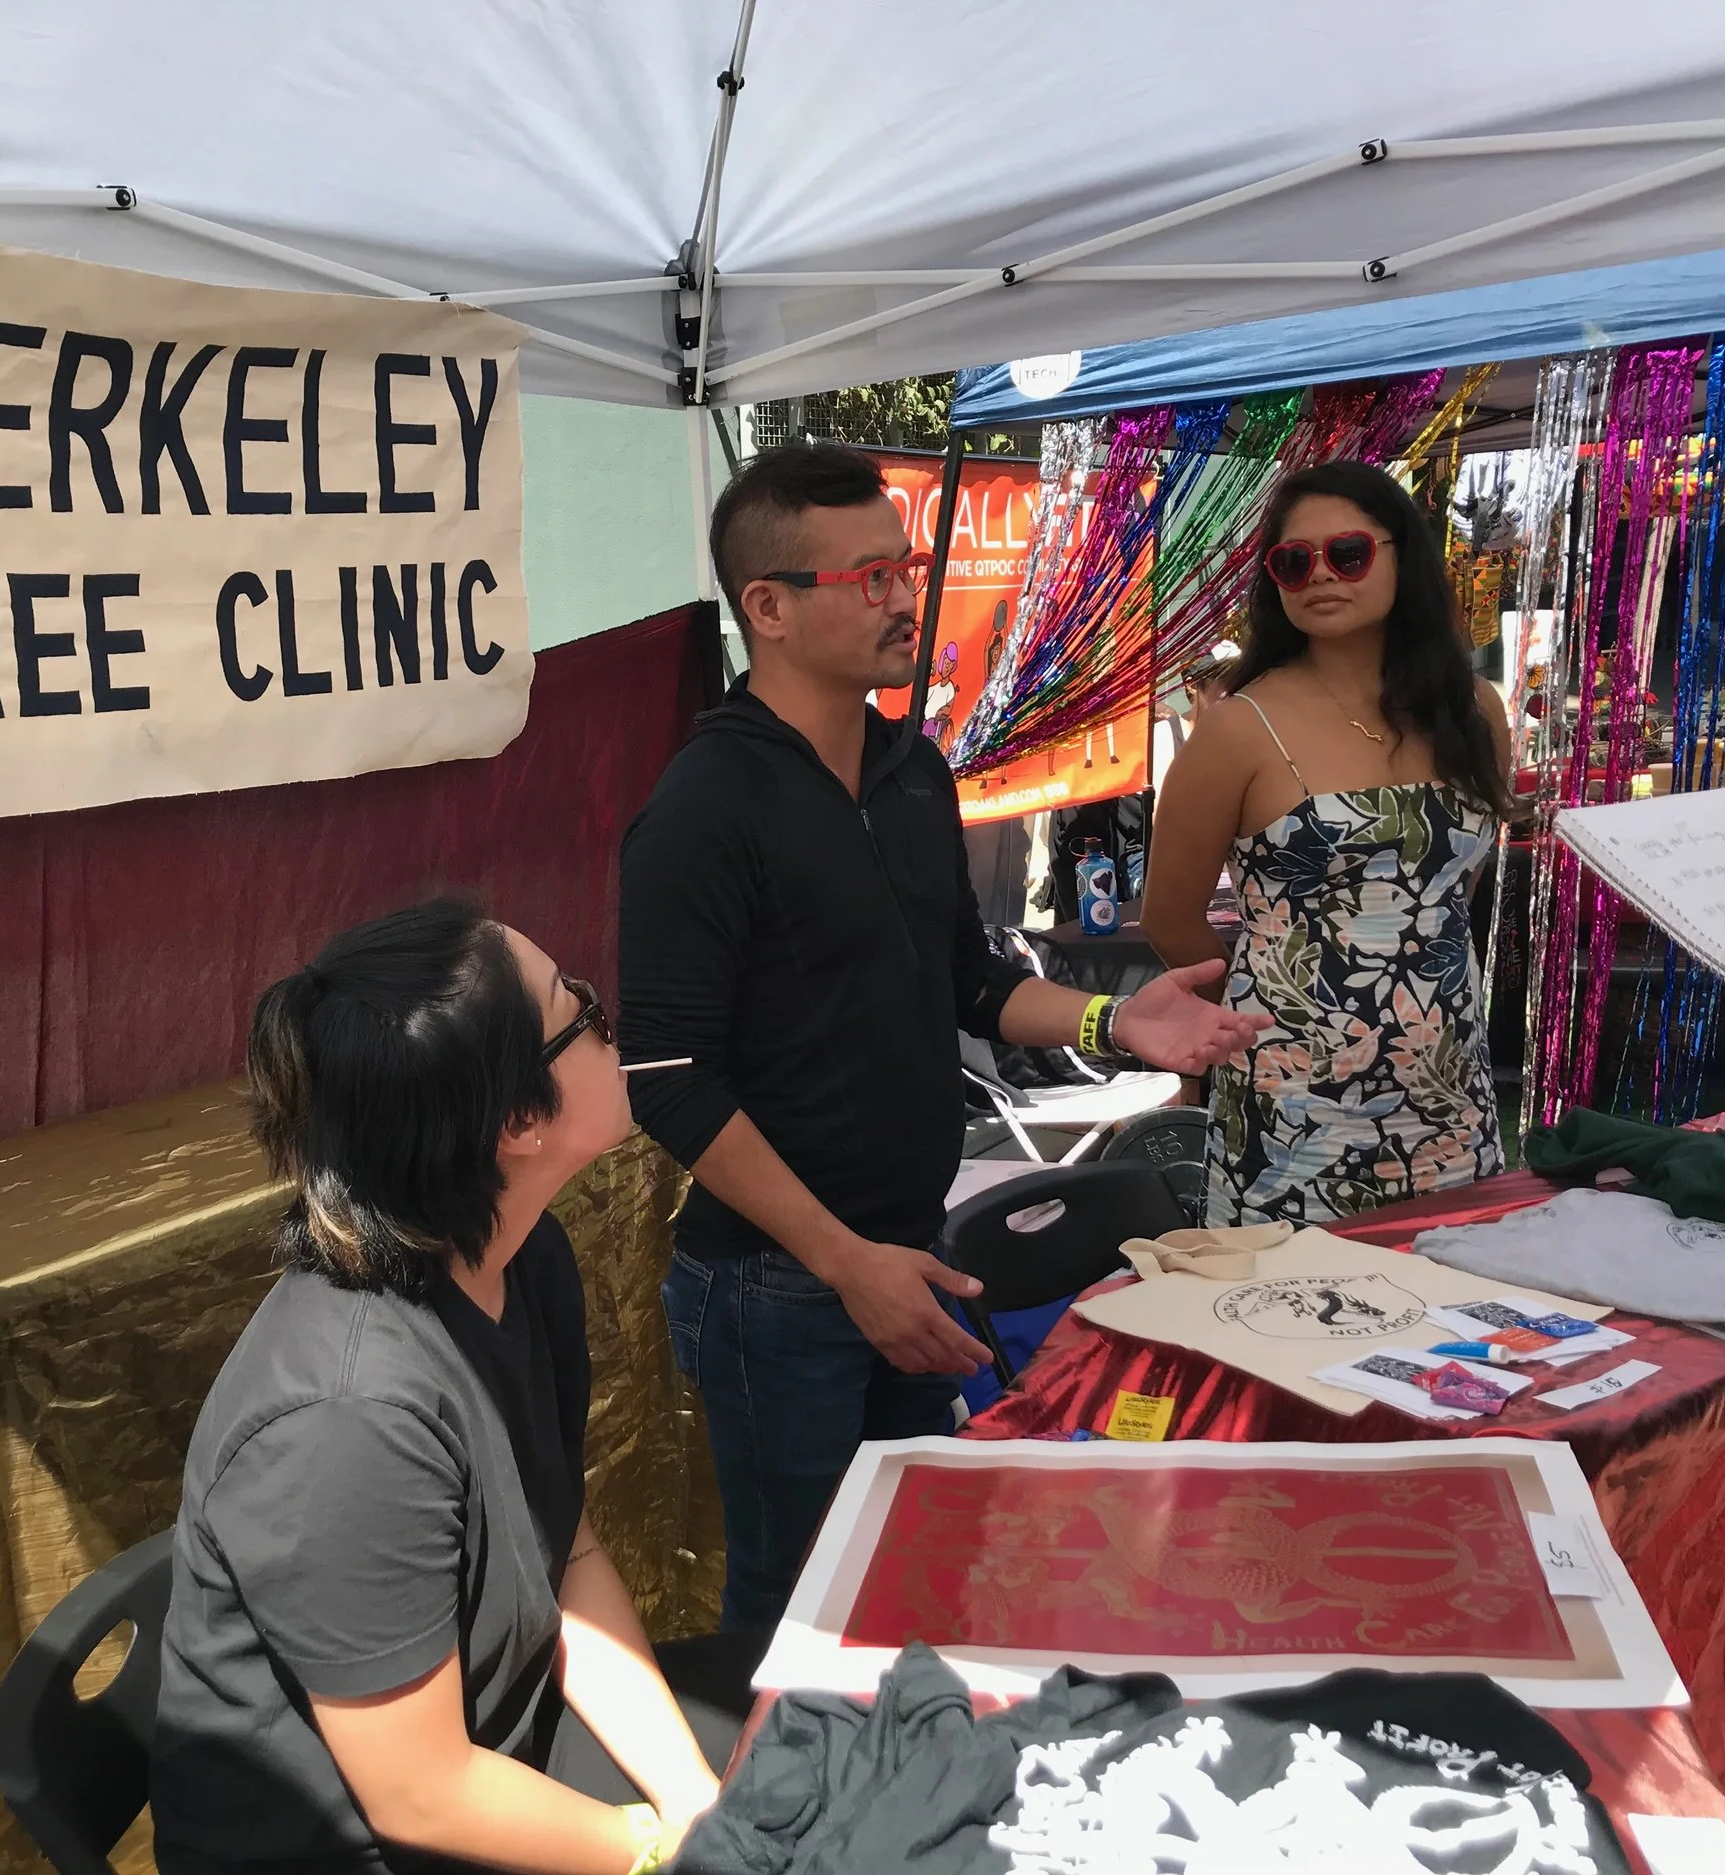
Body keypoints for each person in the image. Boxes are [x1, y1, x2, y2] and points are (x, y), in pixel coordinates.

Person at [619, 442, 1267, 1630]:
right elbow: (664, 1080)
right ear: (766, 608)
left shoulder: (913, 772)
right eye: (868, 577)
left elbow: (964, 986)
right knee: (800, 1607)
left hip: (909, 1257)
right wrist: (841, 1261)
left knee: (914, 1574)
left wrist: (1114, 1020)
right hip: (779, 1287)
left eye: (905, 568)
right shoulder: (703, 809)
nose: (904, 597)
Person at [150, 902, 728, 1875]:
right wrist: (661, 1853)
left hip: (501, 1745)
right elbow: (423, 1796)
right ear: (515, 1121)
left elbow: (563, 1549)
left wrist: (698, 1804)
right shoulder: (347, 1420)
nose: (606, 1019)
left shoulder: (523, 1256)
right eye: (577, 1007)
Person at [1140, 461, 1514, 1225]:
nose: (1320, 576)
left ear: (1401, 555)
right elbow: (1169, 918)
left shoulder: (1473, 711)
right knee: (1289, 1326)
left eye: (1347, 553)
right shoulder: (1240, 728)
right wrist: (1275, 1017)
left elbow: (1448, 894)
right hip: (1294, 1108)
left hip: (1449, 1091)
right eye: (1292, 561)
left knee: (1455, 1322)